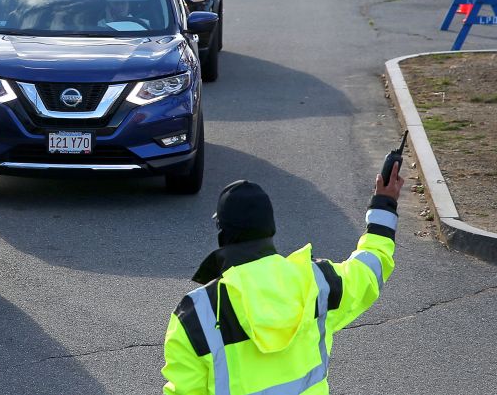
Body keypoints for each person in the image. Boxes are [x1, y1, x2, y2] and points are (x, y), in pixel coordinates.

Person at [161, 162, 404, 394]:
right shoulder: (318, 283)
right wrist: (384, 205)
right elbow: (369, 269)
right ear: (270, 228)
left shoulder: (196, 314)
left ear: (222, 234)